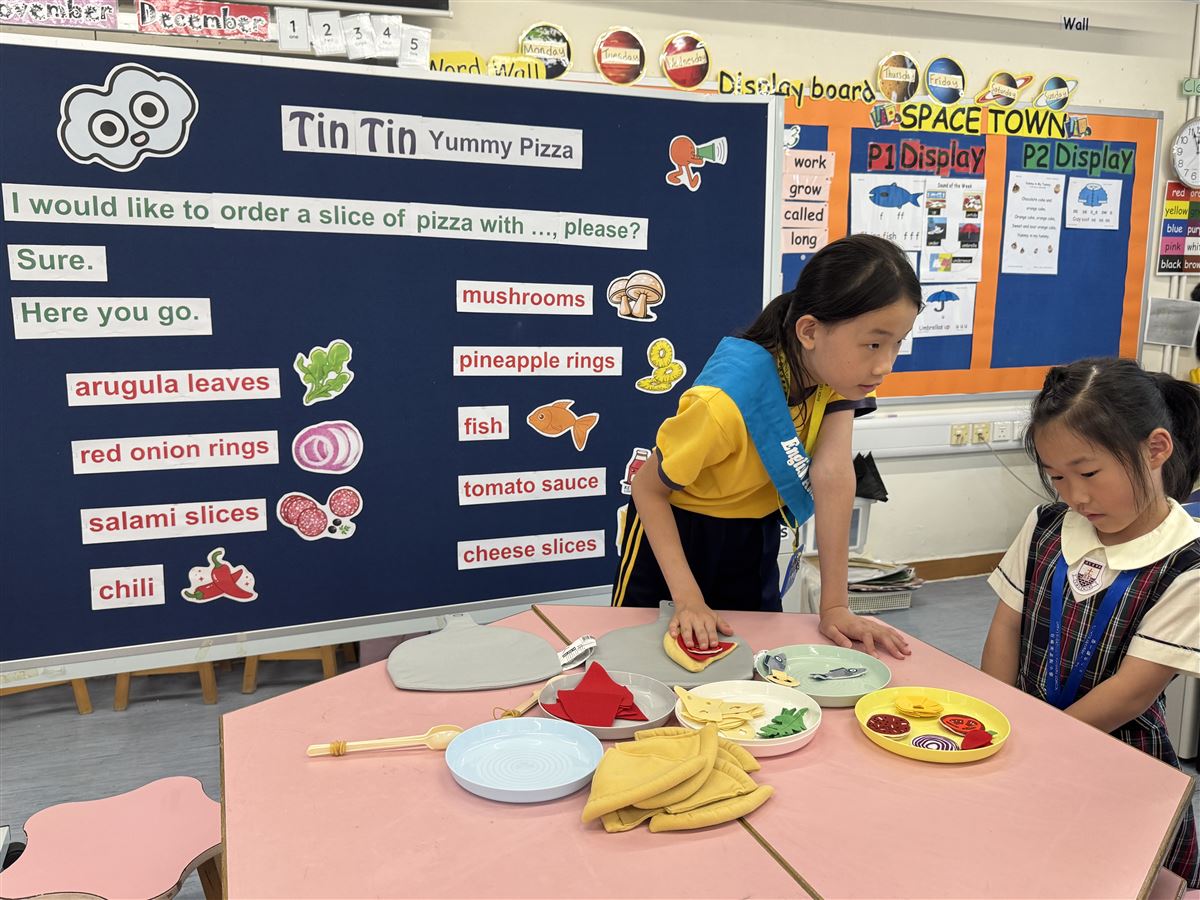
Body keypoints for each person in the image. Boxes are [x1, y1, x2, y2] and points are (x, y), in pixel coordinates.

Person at [612, 234, 920, 659]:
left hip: (753, 536)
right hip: (676, 534)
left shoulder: (840, 376)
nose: (885, 365)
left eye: (897, 343)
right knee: (644, 662)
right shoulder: (724, 401)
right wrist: (688, 598)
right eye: (873, 343)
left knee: (754, 663)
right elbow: (647, 489)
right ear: (809, 331)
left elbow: (832, 475)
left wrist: (835, 606)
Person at [982, 357, 1200, 887]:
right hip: (1022, 741)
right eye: (1057, 477)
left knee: (1108, 878)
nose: (1074, 496)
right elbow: (1006, 627)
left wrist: (1035, 745)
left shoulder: (1187, 563)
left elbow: (1131, 691)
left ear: (1155, 450)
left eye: (1089, 473)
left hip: (1118, 761)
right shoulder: (1046, 525)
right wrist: (993, 723)